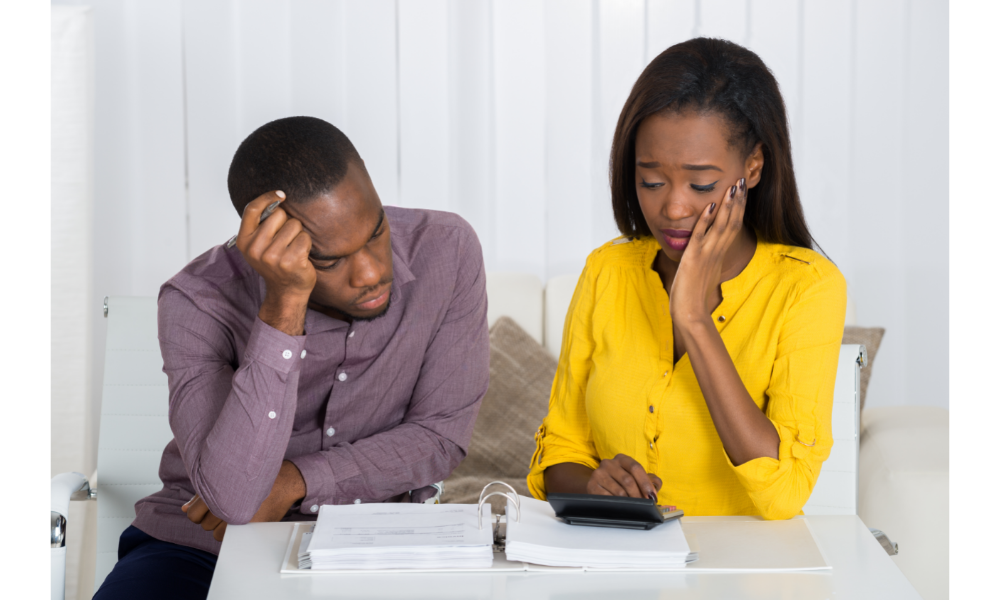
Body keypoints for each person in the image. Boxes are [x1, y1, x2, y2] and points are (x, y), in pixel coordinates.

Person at [94, 116, 490, 599]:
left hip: (375, 540)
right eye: (330, 259)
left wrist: (293, 481)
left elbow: (440, 436)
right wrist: (284, 307)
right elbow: (235, 500)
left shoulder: (446, 250)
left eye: (376, 232)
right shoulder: (196, 300)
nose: (370, 272)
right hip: (205, 543)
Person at [528, 37, 847, 521]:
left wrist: (694, 319)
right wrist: (594, 485)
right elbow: (559, 451)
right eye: (651, 181)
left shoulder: (807, 288)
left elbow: (783, 494)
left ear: (753, 168)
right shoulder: (608, 271)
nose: (673, 208)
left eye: (701, 185)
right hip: (617, 567)